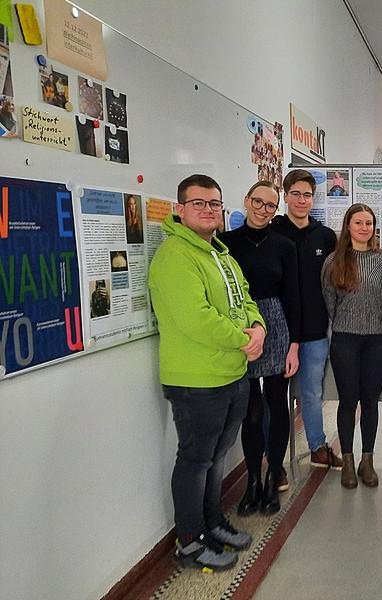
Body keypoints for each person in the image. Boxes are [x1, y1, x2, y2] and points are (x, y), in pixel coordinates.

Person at [149, 174, 265, 571]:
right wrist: (243, 339)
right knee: (196, 460)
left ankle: (212, 523)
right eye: (199, 203)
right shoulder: (175, 257)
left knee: (217, 459)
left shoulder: (220, 253)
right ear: (180, 209)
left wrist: (259, 328)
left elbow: (245, 297)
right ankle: (190, 540)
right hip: (196, 382)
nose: (209, 210)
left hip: (231, 375)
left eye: (214, 204)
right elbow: (195, 319)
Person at [218, 181, 300, 516]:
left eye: (270, 205)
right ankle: (252, 480)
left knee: (277, 404)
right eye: (258, 202)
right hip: (243, 325)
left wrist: (293, 346)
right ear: (246, 200)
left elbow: (293, 297)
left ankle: (271, 479)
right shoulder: (225, 244)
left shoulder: (283, 245)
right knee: (250, 409)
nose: (263, 209)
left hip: (277, 323)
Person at [322, 203, 382, 489]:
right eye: (359, 223)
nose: (365, 228)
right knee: (347, 401)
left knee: (370, 402)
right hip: (345, 340)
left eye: (369, 223)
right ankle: (348, 461)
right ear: (348, 226)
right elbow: (329, 299)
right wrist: (346, 320)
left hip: (376, 342)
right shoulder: (334, 261)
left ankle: (367, 461)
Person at [270, 170, 342, 469]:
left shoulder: (325, 236)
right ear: (286, 195)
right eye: (296, 194)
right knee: (273, 398)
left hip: (313, 330)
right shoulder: (272, 232)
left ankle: (317, 445)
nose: (302, 200)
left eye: (307, 195)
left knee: (312, 392)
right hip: (276, 329)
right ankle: (272, 462)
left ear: (314, 198)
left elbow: (338, 277)